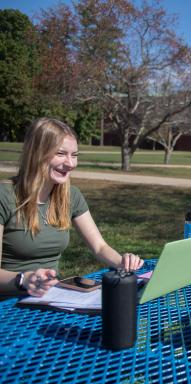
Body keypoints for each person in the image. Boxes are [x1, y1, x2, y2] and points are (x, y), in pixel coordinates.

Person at [0, 118, 143, 297]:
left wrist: (123, 262)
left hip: (51, 300)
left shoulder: (70, 195)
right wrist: (24, 280)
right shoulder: (4, 196)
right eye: (60, 153)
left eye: (74, 155)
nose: (70, 164)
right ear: (36, 153)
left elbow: (99, 247)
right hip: (8, 306)